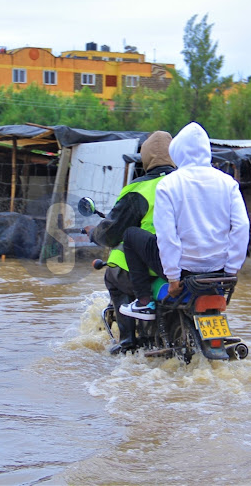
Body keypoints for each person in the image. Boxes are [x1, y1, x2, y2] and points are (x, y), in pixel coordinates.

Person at [119, 121, 250, 320]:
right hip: (219, 270)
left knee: (130, 235)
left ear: (177, 151)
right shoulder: (228, 182)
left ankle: (143, 302)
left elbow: (167, 234)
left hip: (184, 271)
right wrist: (231, 270)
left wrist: (173, 277)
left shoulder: (168, 184)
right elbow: (242, 226)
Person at [86, 131, 175, 352]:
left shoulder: (139, 189)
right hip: (191, 263)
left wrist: (93, 234)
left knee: (113, 273)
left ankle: (127, 340)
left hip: (152, 265)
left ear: (145, 159)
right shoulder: (187, 184)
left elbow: (111, 233)